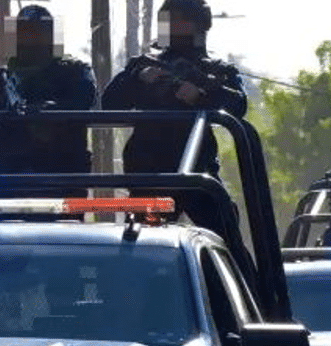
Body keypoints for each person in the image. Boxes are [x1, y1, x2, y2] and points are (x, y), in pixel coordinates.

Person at [101, 0, 257, 286]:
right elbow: (108, 103)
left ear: (197, 25)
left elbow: (238, 104)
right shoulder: (146, 65)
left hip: (197, 175)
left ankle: (255, 311)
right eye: (166, 19)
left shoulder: (216, 71)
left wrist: (199, 95)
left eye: (176, 20)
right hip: (150, 175)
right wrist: (138, 78)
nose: (169, 27)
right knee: (139, 253)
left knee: (229, 249)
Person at [0, 5, 97, 180]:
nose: (32, 40)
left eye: (38, 34)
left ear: (51, 38)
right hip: (11, 173)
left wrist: (49, 112)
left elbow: (87, 100)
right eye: (25, 33)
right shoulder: (4, 77)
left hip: (61, 172)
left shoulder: (74, 72)